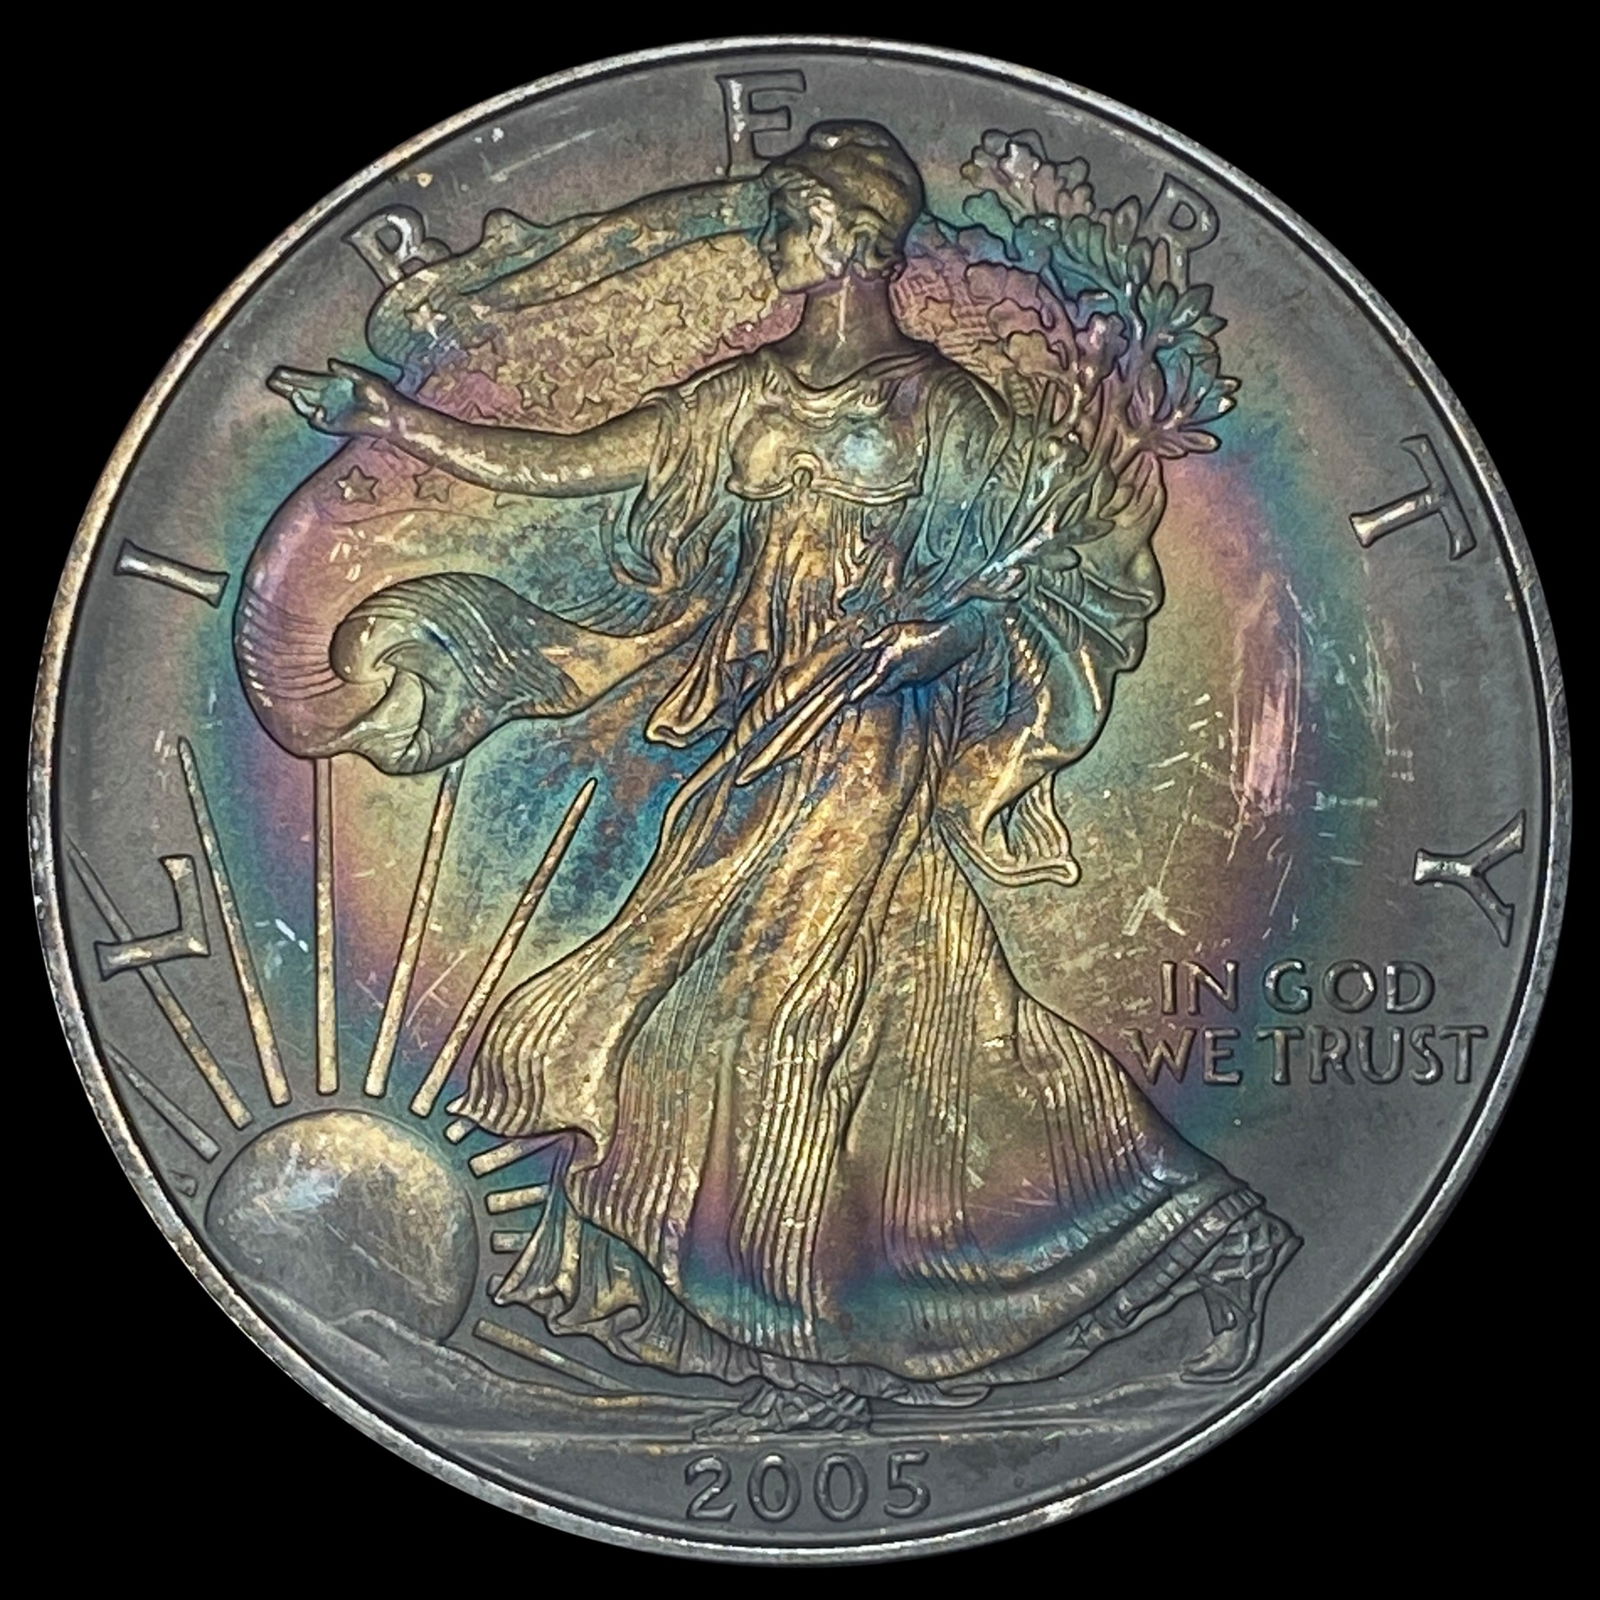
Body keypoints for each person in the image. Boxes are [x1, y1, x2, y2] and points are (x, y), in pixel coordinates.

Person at [262, 121, 1296, 1434]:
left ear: (854, 240)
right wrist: (399, 422)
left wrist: (932, 640)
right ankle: (1196, 1240)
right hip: (759, 737)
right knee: (940, 1022)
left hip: (867, 739)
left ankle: (800, 1342)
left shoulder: (944, 415)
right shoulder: (743, 395)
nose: (770, 237)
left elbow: (1046, 580)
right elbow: (576, 464)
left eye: (791, 216)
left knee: (769, 1018)